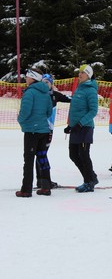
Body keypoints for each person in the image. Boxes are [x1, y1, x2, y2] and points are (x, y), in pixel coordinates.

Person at [16, 68, 53, 197]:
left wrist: (20, 120)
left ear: (33, 78)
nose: (25, 78)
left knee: (29, 160)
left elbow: (25, 111)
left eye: (27, 76)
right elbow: (49, 112)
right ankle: (46, 187)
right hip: (43, 130)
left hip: (32, 131)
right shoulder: (46, 92)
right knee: (42, 158)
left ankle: (26, 189)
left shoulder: (30, 93)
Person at [64, 64, 98, 193]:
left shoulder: (90, 90)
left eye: (83, 72)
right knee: (73, 155)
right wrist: (70, 125)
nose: (80, 74)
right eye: (79, 72)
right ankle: (91, 177)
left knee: (84, 155)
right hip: (76, 127)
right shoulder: (79, 88)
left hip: (85, 127)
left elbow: (93, 111)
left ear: (88, 75)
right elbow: (75, 109)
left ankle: (89, 181)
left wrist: (80, 123)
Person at [35, 74, 71, 188]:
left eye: (47, 82)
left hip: (49, 129)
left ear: (51, 84)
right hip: (39, 128)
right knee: (41, 153)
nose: (45, 85)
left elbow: (70, 99)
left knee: (41, 154)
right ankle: (43, 180)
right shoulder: (38, 94)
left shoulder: (55, 95)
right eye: (43, 82)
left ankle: (42, 180)